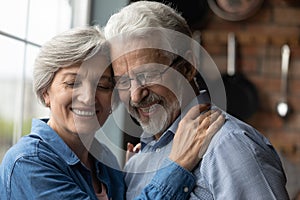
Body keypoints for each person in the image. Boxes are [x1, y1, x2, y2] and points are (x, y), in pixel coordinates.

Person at [0, 26, 225, 200]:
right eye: (72, 83)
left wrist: (134, 175)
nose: (88, 97)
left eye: (104, 85)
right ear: (45, 92)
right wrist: (178, 165)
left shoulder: (105, 159)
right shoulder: (28, 163)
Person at [104, 1, 290, 199]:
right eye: (123, 82)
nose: (135, 95)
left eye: (148, 74)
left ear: (187, 67)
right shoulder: (136, 162)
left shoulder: (229, 145)